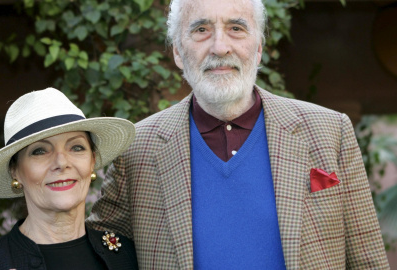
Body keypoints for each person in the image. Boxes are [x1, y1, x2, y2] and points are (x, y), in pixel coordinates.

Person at [87, 0, 390, 269]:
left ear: (258, 48)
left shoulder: (329, 131)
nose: (220, 46)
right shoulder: (137, 148)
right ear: (178, 52)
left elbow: (368, 261)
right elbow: (96, 249)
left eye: (236, 28)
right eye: (201, 29)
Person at [0, 88, 139, 270]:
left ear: (92, 161)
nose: (61, 162)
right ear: (15, 171)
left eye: (76, 147)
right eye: (40, 151)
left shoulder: (127, 256)